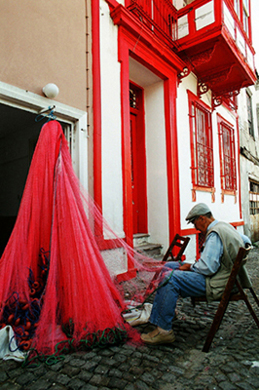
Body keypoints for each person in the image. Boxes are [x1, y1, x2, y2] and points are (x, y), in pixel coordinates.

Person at [141, 203, 252, 345]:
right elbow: (247, 241)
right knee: (169, 266)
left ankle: (164, 331)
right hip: (221, 275)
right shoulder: (225, 226)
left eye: (194, 223)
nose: (195, 228)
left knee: (170, 277)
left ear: (202, 219)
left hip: (216, 281)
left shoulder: (214, 234)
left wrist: (190, 267)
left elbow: (207, 268)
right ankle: (165, 312)